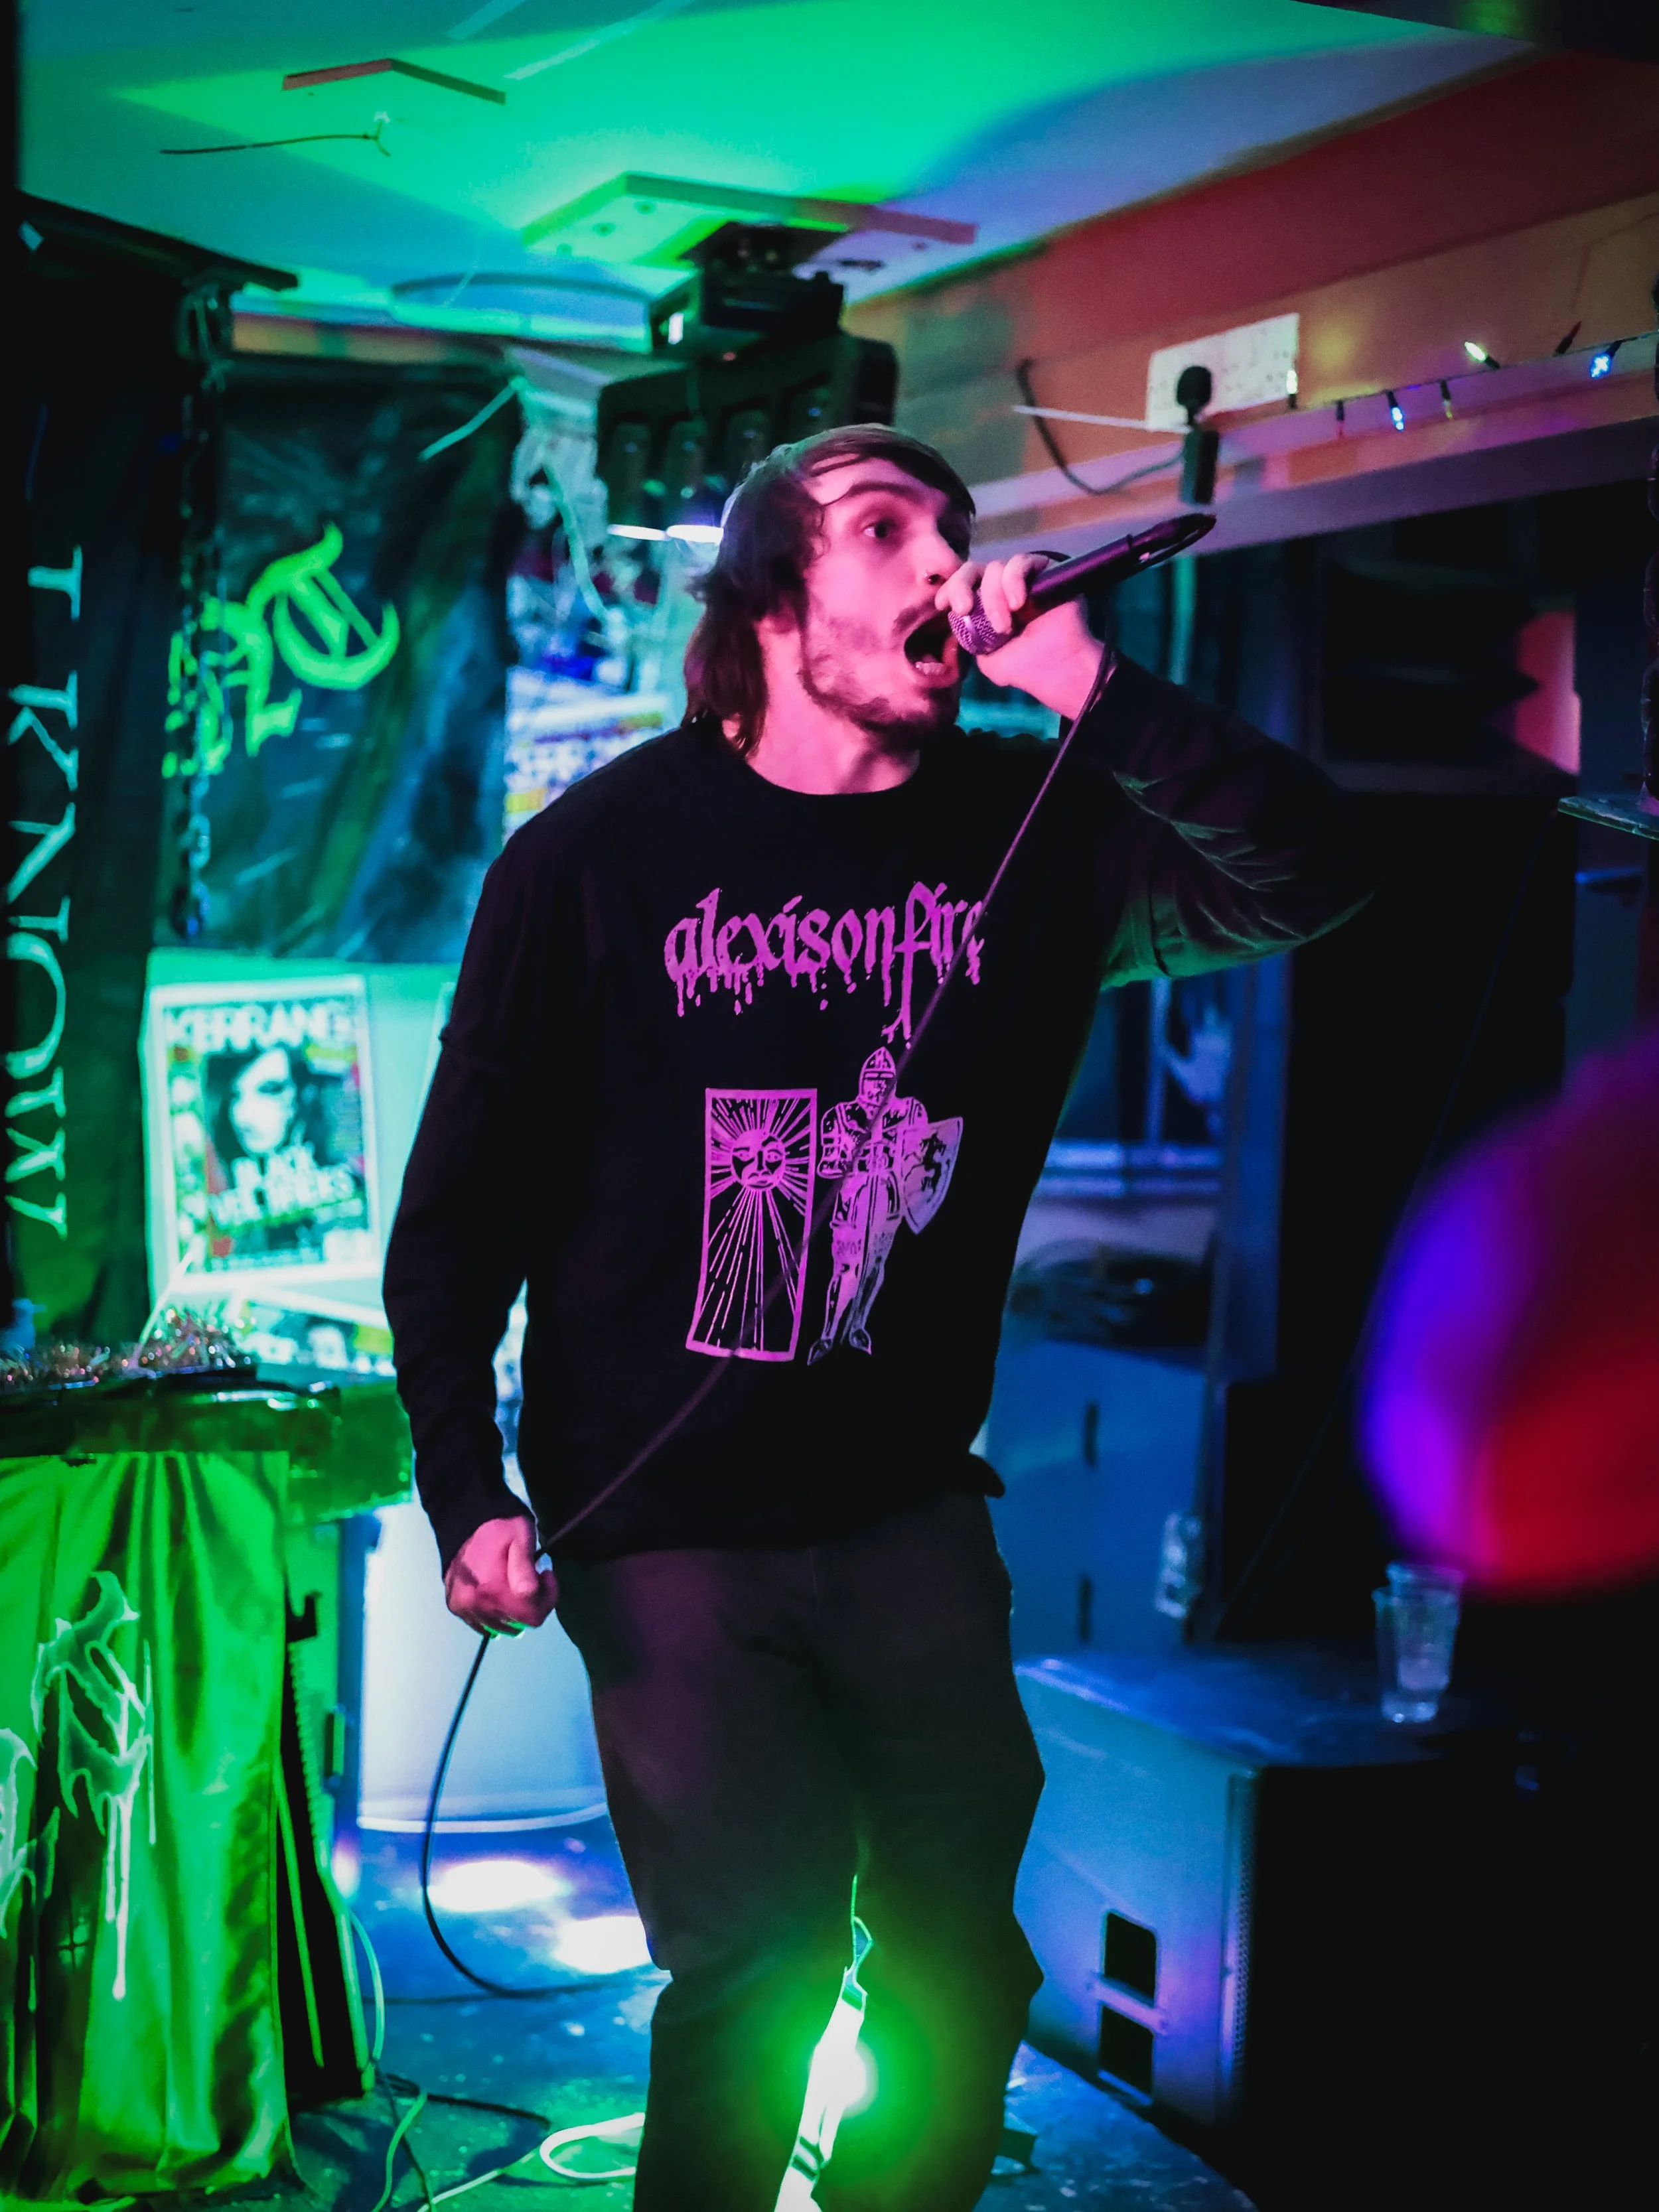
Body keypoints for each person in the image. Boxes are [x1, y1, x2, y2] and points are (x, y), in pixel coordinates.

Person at [384, 424, 1370, 2212]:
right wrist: (467, 1488)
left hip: (906, 1503)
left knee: (965, 1963)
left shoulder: (1032, 823)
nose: (943, 561)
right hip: (660, 1517)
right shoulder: (595, 859)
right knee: (757, 1959)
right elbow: (455, 1219)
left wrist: (1092, 691)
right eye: (884, 526)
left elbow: (1316, 869)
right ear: (773, 601)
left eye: (953, 528)